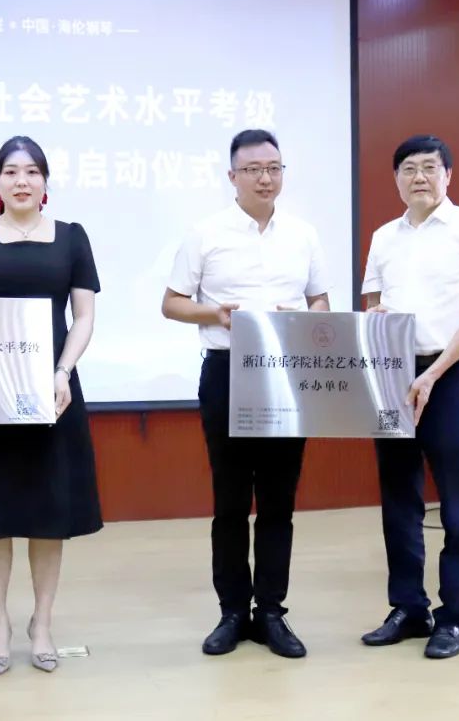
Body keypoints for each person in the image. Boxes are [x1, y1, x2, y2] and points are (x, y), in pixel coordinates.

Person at [161, 129, 330, 658]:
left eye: (274, 168)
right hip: (227, 372)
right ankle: (232, 612)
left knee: (279, 502)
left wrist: (301, 319)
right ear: (232, 176)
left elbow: (321, 303)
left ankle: (272, 612)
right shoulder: (206, 234)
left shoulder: (303, 235)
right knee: (231, 501)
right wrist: (214, 313)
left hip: (287, 374)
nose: (265, 178)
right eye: (253, 169)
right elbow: (171, 303)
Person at [0, 135, 103, 676]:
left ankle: (43, 623)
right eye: (11, 171)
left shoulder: (72, 238)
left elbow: (83, 317)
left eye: (32, 171)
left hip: (52, 395)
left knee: (47, 516)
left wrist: (63, 372)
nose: (22, 181)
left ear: (45, 182)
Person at [360, 134, 459, 659]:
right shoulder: (384, 237)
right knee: (399, 498)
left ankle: (453, 617)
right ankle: (407, 608)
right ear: (396, 179)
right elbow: (373, 307)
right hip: (394, 377)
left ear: (448, 175)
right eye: (408, 168)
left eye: (429, 167)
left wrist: (432, 374)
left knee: (457, 504)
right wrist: (375, 319)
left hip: (451, 378)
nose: (418, 176)